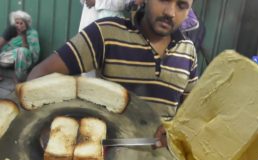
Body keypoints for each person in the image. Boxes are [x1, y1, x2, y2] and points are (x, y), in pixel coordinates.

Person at [28, 0, 198, 147]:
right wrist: (58, 127)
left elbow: (190, 110)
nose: (170, 12)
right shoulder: (107, 33)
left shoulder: (188, 51)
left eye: (181, 5)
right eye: (163, 0)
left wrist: (175, 131)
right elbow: (39, 75)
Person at [0, 10, 40, 82]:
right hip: (6, 57)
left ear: (27, 24)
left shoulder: (32, 33)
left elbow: (30, 52)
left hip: (24, 59)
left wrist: (23, 35)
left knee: (21, 51)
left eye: (21, 23)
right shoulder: (12, 31)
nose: (19, 25)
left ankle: (21, 78)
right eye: (17, 23)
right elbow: (3, 46)